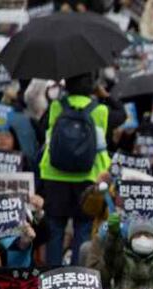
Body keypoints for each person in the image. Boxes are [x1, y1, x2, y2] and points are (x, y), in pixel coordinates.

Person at [38, 71, 111, 267]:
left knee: (55, 228)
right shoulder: (100, 110)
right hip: (88, 177)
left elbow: (47, 136)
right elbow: (100, 147)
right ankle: (79, 274)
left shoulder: (56, 106)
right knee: (83, 227)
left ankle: (51, 274)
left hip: (54, 176)